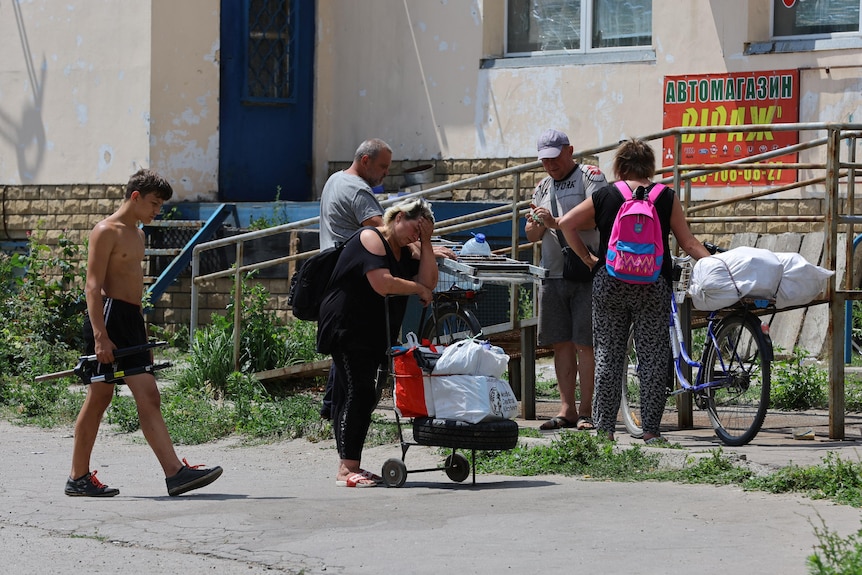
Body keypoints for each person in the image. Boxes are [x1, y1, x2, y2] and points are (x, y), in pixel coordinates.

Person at [66, 169, 223, 497]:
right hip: (108, 319)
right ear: (135, 196)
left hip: (131, 321)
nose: (157, 211)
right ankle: (80, 477)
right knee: (101, 397)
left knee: (145, 394)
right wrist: (99, 336)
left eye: (161, 206)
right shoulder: (105, 230)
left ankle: (173, 474)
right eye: (153, 203)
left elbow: (135, 290)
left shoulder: (138, 234)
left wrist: (143, 335)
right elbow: (93, 287)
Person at [556, 138, 710, 443]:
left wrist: (588, 259)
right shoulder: (665, 196)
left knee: (608, 356)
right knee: (653, 357)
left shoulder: (606, 194)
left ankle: (605, 431)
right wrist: (721, 265)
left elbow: (566, 223)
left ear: (620, 165)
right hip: (653, 284)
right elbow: (689, 242)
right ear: (650, 167)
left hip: (610, 281)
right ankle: (651, 430)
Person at [317, 138, 454, 419]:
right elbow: (386, 230)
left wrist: (424, 244)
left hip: (335, 278)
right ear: (365, 161)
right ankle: (339, 412)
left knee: (345, 361)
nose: (385, 173)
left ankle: (333, 408)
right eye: (382, 166)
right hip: (357, 285)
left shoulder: (336, 180)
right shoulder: (358, 192)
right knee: (357, 369)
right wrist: (422, 248)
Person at [317, 197, 438, 487]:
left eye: (422, 232)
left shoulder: (406, 249)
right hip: (346, 328)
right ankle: (346, 470)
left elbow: (430, 282)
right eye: (414, 227)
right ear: (398, 217)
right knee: (358, 392)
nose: (415, 235)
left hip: (375, 333)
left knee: (364, 395)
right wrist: (417, 288)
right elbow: (383, 282)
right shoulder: (370, 238)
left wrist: (427, 244)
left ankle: (350, 463)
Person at [525, 129, 607, 431]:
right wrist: (537, 222)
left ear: (569, 151)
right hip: (553, 273)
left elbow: (599, 215)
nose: (550, 165)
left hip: (586, 271)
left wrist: (558, 221)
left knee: (586, 343)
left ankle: (587, 410)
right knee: (560, 343)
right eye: (544, 160)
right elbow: (531, 234)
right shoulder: (542, 186)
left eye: (554, 158)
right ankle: (567, 409)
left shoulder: (590, 176)